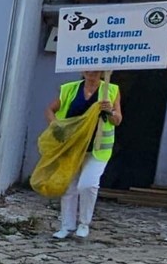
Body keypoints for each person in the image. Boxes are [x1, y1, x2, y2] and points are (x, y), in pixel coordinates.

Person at [43, 70, 122, 240]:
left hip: (97, 148)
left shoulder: (111, 90)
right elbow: (50, 109)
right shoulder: (69, 89)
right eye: (88, 69)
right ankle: (66, 226)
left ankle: (84, 224)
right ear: (82, 70)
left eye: (96, 70)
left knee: (87, 185)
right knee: (69, 187)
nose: (91, 73)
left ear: (102, 72)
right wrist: (56, 127)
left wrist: (110, 111)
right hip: (72, 147)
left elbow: (118, 120)